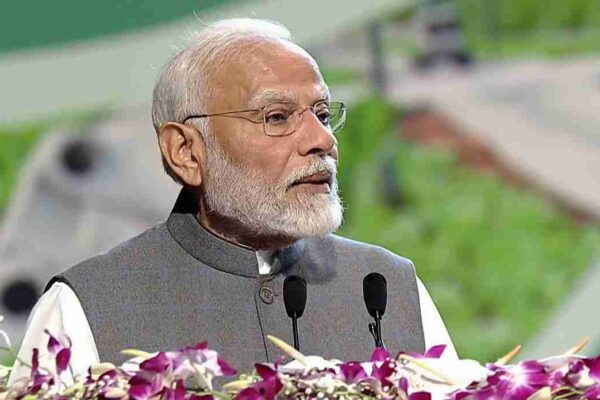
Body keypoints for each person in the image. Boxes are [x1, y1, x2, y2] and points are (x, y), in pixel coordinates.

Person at [9, 18, 457, 385]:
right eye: (277, 117)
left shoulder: (388, 286)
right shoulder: (87, 308)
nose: (322, 140)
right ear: (186, 152)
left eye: (322, 115)